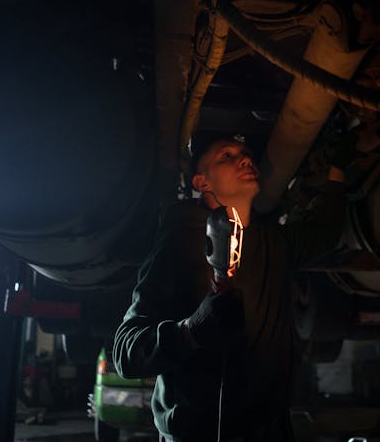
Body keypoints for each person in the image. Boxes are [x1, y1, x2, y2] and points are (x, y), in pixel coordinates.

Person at [113, 135, 346, 442]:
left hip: (271, 431)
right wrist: (190, 331)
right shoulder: (178, 245)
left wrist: (339, 170)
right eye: (227, 156)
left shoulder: (273, 242)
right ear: (202, 181)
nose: (245, 159)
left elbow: (323, 233)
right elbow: (125, 352)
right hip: (198, 434)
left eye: (246, 154)